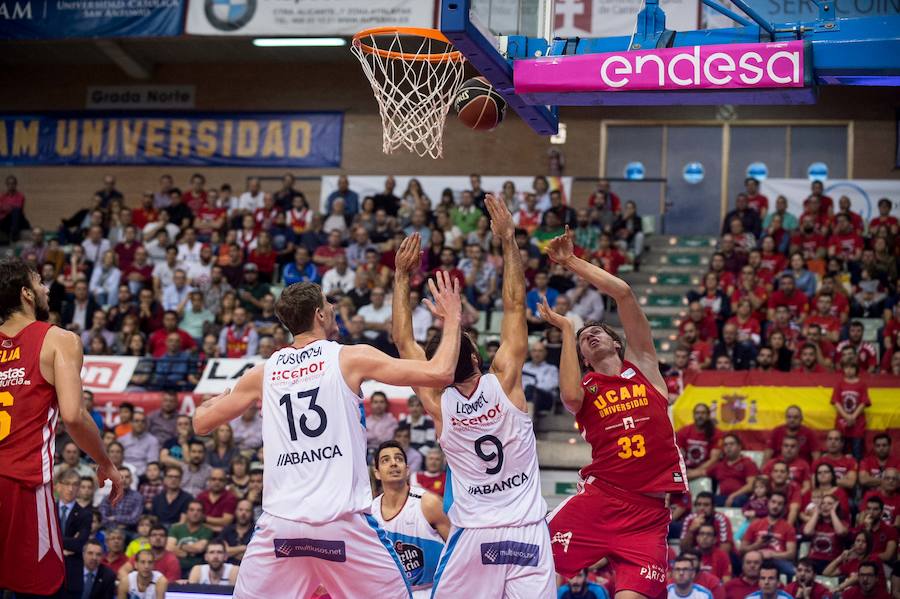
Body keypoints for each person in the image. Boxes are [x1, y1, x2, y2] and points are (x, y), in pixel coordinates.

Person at [190, 273, 465, 598]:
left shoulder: (263, 373)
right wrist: (453, 318)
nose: (333, 306)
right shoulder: (348, 357)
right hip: (342, 524)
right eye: (328, 302)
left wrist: (219, 399)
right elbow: (441, 372)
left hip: (281, 528)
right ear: (320, 314)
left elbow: (201, 423)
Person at [391, 195, 555, 598]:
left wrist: (400, 276)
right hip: (527, 532)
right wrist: (508, 240)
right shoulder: (506, 382)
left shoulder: (438, 402)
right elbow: (515, 305)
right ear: (479, 355)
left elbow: (403, 341)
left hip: (473, 536)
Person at [540, 225, 688, 599]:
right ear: (583, 358)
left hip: (648, 517)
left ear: (616, 341)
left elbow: (623, 293)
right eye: (583, 339)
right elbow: (569, 393)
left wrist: (571, 260)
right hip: (600, 501)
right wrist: (568, 328)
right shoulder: (586, 388)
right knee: (532, 572)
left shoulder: (644, 366)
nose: (590, 335)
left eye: (597, 331)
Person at [0, 258, 123, 597]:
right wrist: (105, 461)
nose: (46, 289)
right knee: (44, 588)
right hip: (22, 483)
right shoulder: (58, 339)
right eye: (39, 282)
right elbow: (73, 415)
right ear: (26, 293)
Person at [371, 441, 449, 597]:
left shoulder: (428, 503)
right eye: (385, 460)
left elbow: (458, 549)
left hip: (431, 590)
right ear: (377, 473)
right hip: (391, 592)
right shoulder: (370, 512)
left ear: (407, 470)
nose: (393, 463)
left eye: (399, 459)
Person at [740, 492, 798, 577]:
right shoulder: (755, 524)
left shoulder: (788, 528)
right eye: (773, 502)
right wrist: (757, 545)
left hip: (778, 560)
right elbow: (742, 550)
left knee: (792, 572)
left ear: (784, 507)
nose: (775, 506)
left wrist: (771, 554)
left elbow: (791, 554)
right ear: (768, 503)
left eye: (779, 504)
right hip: (756, 560)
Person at [56, 468, 94, 599]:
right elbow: (40, 541)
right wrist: (65, 547)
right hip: (47, 576)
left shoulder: (85, 515)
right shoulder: (47, 510)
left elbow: (78, 544)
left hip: (72, 578)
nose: (71, 489)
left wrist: (53, 543)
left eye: (75, 484)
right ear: (58, 486)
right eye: (67, 483)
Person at [831, 357, 870, 460]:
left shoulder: (862, 384)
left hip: (857, 424)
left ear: (856, 369)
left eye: (852, 367)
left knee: (857, 451)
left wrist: (853, 417)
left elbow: (863, 403)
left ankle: (857, 469)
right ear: (843, 369)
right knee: (840, 450)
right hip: (842, 423)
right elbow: (836, 402)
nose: (849, 370)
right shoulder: (839, 384)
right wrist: (846, 416)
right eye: (846, 367)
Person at [708, 433, 759, 507]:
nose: (728, 447)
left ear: (739, 446)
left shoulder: (748, 463)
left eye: (731, 444)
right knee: (705, 499)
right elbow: (703, 472)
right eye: (725, 445)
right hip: (722, 497)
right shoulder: (719, 465)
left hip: (740, 497)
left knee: (739, 501)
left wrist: (733, 496)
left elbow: (751, 485)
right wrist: (687, 474)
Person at [166, 500, 213, 577]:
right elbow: (169, 547)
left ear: (202, 514)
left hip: (197, 569)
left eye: (199, 510)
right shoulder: (176, 528)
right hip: (176, 567)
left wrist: (181, 546)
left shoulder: (206, 530)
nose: (195, 513)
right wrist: (189, 551)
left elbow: (199, 548)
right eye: (192, 510)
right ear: (186, 513)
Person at [677, 404, 723, 480]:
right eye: (697, 413)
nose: (700, 416)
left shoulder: (716, 433)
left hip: (705, 471)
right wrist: (683, 470)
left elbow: (714, 459)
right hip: (686, 469)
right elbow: (679, 455)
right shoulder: (684, 431)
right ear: (694, 415)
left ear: (708, 415)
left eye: (703, 413)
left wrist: (695, 471)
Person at [221, 499, 255, 564]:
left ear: (252, 513)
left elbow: (255, 553)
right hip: (228, 569)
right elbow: (223, 552)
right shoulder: (227, 530)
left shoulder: (257, 531)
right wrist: (244, 548)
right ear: (235, 511)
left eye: (247, 510)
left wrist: (232, 551)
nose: (243, 513)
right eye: (240, 510)